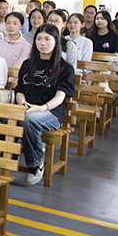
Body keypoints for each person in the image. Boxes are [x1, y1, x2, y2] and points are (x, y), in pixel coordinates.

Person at [14, 23, 75, 185]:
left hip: (50, 112)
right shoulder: (27, 64)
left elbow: (60, 97)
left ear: (56, 41)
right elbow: (19, 90)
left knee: (29, 121)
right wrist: (23, 104)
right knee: (6, 118)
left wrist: (41, 108)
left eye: (47, 39)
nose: (42, 43)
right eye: (39, 39)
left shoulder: (65, 68)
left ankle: (36, 163)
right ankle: (8, 158)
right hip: (27, 108)